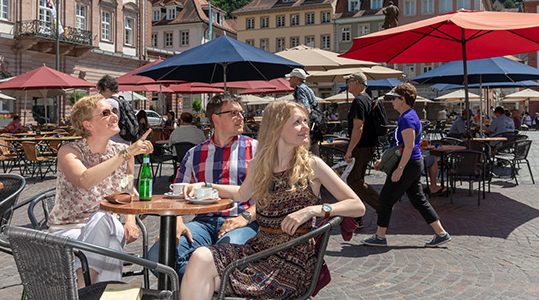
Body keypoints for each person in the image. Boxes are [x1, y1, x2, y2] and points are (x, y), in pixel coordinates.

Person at [179, 100, 365, 299]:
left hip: (292, 261)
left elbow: (357, 206)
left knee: (207, 280)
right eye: (297, 122)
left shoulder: (312, 165)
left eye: (305, 121)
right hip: (258, 250)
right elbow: (241, 194)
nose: (306, 127)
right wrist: (205, 185)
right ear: (276, 127)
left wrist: (312, 210)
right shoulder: (259, 165)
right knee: (200, 259)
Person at [147, 93, 259, 280]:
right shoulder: (195, 154)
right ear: (216, 119)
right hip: (203, 223)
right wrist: (179, 222)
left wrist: (245, 217)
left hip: (242, 221)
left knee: (223, 257)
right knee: (157, 257)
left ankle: (200, 289)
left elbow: (271, 195)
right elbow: (176, 195)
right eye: (234, 113)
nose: (241, 117)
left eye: (242, 112)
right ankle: (203, 290)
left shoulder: (255, 149)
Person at [47, 94, 153, 287]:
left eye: (114, 111)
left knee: (109, 225)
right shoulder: (70, 152)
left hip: (111, 227)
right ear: (88, 125)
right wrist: (127, 153)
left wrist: (130, 221)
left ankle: (83, 291)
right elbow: (84, 180)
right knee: (108, 232)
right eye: (105, 113)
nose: (114, 116)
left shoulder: (122, 153)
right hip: (68, 231)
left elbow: (128, 192)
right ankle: (85, 290)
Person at [361, 84, 450, 247]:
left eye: (394, 98)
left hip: (408, 164)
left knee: (386, 199)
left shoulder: (408, 118)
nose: (391, 101)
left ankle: (380, 237)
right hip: (412, 163)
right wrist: (385, 160)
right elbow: (401, 145)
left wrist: (400, 169)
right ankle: (441, 233)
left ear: (403, 99)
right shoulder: (409, 116)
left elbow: (408, 146)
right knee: (418, 200)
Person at [343, 72, 380, 222]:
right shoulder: (367, 99)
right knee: (357, 180)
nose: (347, 84)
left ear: (357, 82)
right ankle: (357, 217)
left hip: (361, 147)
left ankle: (382, 206)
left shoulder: (359, 101)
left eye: (349, 81)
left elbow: (358, 128)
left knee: (353, 180)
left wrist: (350, 149)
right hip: (368, 145)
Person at [287, 68, 321, 155]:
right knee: (314, 145)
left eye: (290, 78)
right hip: (315, 121)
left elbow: (306, 109)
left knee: (304, 148)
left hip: (307, 122)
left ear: (295, 79)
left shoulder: (299, 90)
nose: (289, 80)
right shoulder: (307, 89)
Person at [97, 75, 136, 145]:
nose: (101, 93)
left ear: (106, 88)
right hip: (126, 141)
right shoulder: (123, 100)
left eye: (101, 91)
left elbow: (101, 122)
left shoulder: (108, 102)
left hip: (113, 142)